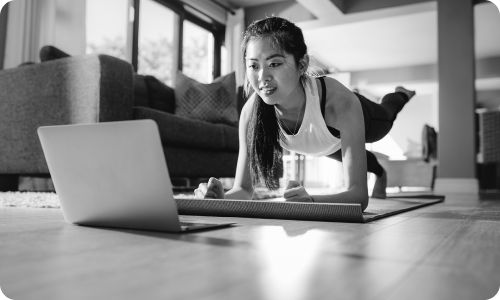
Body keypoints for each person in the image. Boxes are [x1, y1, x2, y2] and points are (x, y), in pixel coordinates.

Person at [194, 16, 415, 211]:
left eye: (275, 63)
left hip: (365, 117)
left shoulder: (340, 104)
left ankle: (400, 95)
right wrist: (220, 197)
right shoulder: (250, 113)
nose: (262, 77)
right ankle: (380, 172)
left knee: (386, 117)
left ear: (302, 65)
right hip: (324, 142)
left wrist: (310, 201)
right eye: (253, 66)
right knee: (361, 160)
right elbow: (243, 190)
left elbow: (358, 196)